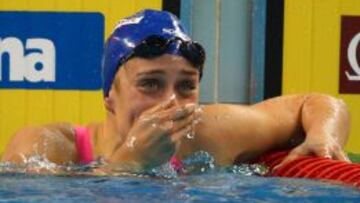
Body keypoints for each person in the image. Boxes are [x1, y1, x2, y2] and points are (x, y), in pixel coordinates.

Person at [1, 9, 351, 173]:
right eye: (150, 84)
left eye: (186, 86)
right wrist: (131, 163)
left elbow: (318, 103)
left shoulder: (209, 133)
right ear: (109, 94)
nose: (171, 101)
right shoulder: (48, 147)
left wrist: (324, 134)